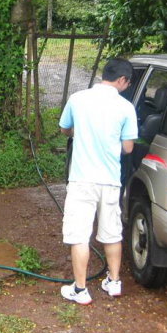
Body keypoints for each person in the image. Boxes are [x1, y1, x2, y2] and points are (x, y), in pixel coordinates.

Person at [58, 58, 138, 304]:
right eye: (128, 82)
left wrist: (78, 132)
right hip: (111, 180)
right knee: (112, 232)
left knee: (80, 234)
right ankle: (114, 282)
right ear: (122, 80)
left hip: (82, 179)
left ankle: (80, 290)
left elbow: (65, 129)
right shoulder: (126, 107)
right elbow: (127, 148)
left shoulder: (78, 99)